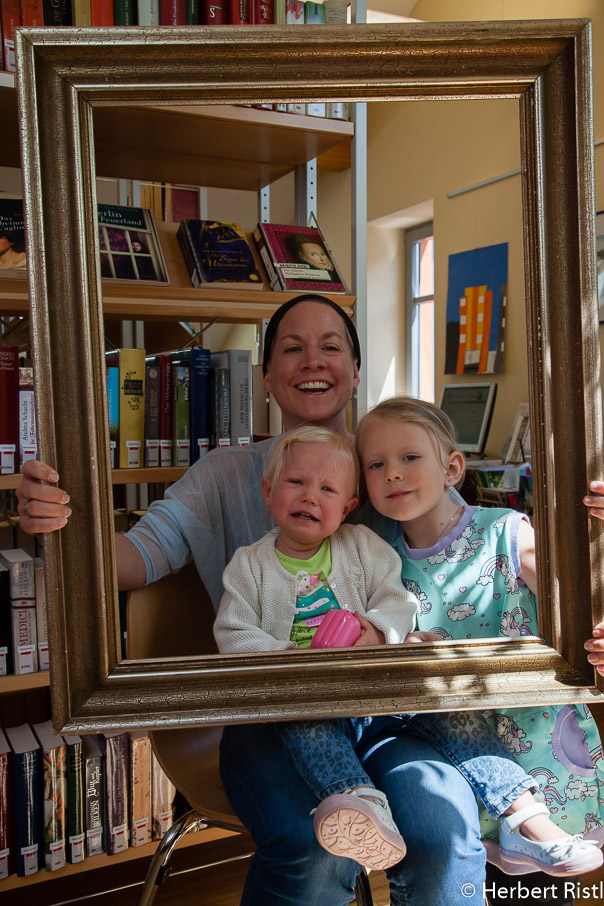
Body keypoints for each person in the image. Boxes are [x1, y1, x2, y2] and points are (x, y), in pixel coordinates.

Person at [17, 294, 492, 905]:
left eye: (330, 347)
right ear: (266, 378)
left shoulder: (392, 474)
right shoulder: (224, 476)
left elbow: (481, 556)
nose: (311, 361)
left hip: (382, 709)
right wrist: (64, 524)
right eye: (291, 348)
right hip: (268, 714)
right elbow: (135, 558)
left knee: (444, 825)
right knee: (310, 841)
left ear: (353, 369)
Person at [215, 422, 604, 879]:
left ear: (348, 507)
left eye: (327, 488)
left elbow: (397, 601)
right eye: (295, 483)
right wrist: (284, 657)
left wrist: (378, 633)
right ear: (268, 490)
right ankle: (362, 807)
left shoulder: (362, 546)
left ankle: (525, 815)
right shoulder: (249, 564)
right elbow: (233, 631)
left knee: (453, 717)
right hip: (307, 697)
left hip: (380, 700)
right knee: (309, 727)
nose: (309, 496)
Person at [355, 395, 604, 878]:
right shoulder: (374, 560)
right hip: (453, 760)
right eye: (376, 464)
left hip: (539, 748)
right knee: (470, 877)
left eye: (410, 457)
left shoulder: (507, 532)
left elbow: (576, 593)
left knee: (541, 889)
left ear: (451, 469)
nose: (393, 473)